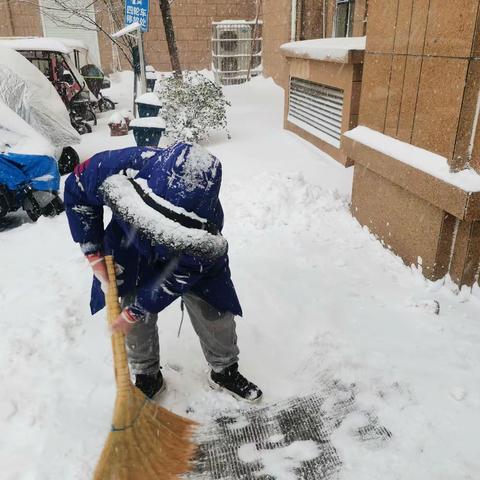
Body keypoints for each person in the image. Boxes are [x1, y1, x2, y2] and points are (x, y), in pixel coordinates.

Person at [64, 141, 262, 403]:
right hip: (130, 245)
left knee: (213, 310)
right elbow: (77, 187)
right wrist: (91, 250)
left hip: (183, 261)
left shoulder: (205, 234)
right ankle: (147, 375)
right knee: (131, 302)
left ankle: (224, 370)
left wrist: (136, 312)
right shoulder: (121, 166)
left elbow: (177, 279)